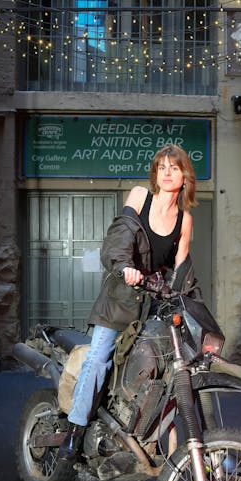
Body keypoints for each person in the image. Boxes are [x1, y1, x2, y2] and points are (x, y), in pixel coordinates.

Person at [58, 144, 197, 463]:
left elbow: (183, 271)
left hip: (151, 305)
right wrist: (124, 266)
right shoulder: (139, 196)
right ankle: (75, 431)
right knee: (100, 357)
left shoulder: (184, 220)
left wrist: (191, 305)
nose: (166, 173)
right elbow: (120, 237)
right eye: (161, 167)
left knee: (163, 365)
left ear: (185, 175)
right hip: (120, 296)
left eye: (173, 168)